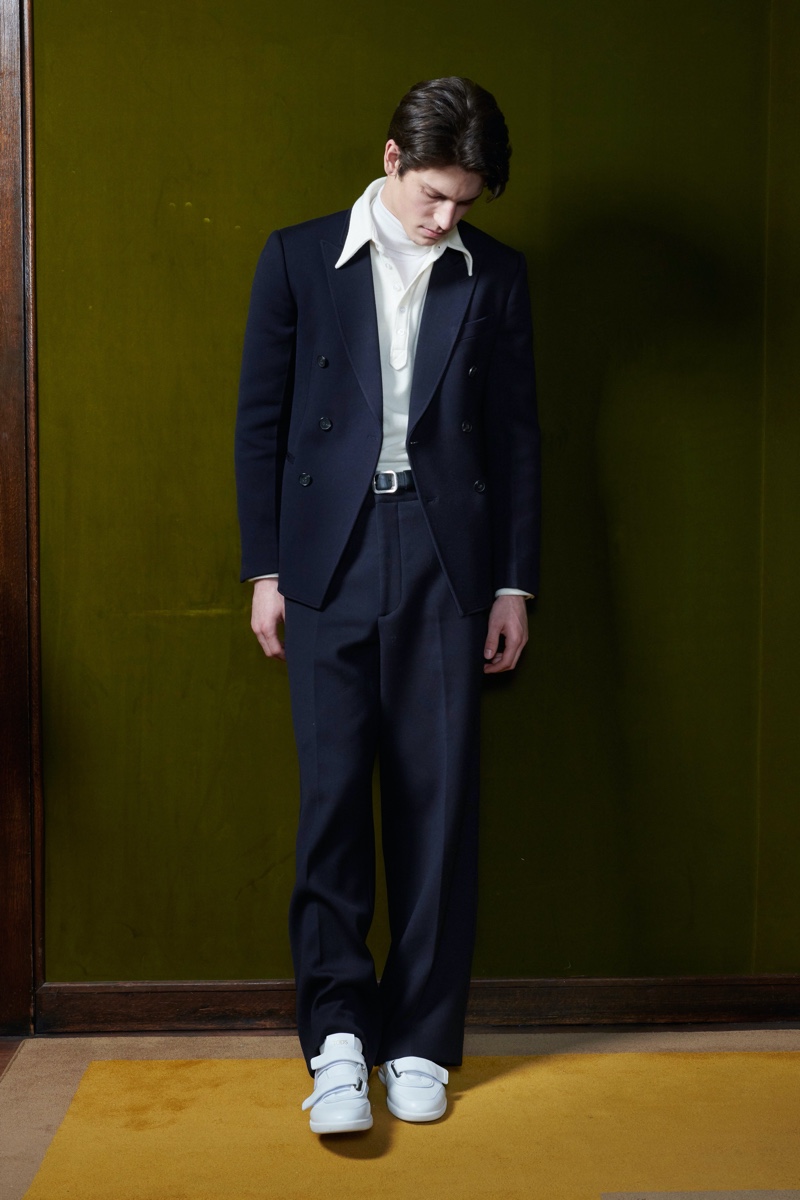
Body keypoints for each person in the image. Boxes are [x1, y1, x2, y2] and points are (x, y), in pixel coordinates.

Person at [235, 76, 540, 1135]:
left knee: (436, 806)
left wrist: (512, 583)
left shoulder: (497, 276)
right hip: (328, 554)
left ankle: (418, 1040)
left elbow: (517, 437)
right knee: (331, 805)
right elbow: (259, 424)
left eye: (464, 202)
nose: (445, 218)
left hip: (448, 561)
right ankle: (335, 1042)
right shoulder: (296, 259)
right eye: (433, 195)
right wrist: (264, 572)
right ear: (391, 159)